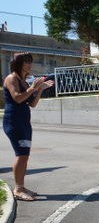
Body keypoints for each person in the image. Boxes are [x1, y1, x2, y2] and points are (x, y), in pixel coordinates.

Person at [2, 53, 54, 201]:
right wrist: (32, 87)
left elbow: (32, 104)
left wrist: (40, 89)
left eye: (30, 61)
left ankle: (21, 186)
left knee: (25, 155)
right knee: (21, 154)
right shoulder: (11, 78)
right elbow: (18, 98)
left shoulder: (23, 81)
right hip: (14, 122)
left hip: (24, 123)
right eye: (26, 61)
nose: (29, 64)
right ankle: (18, 189)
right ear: (18, 63)